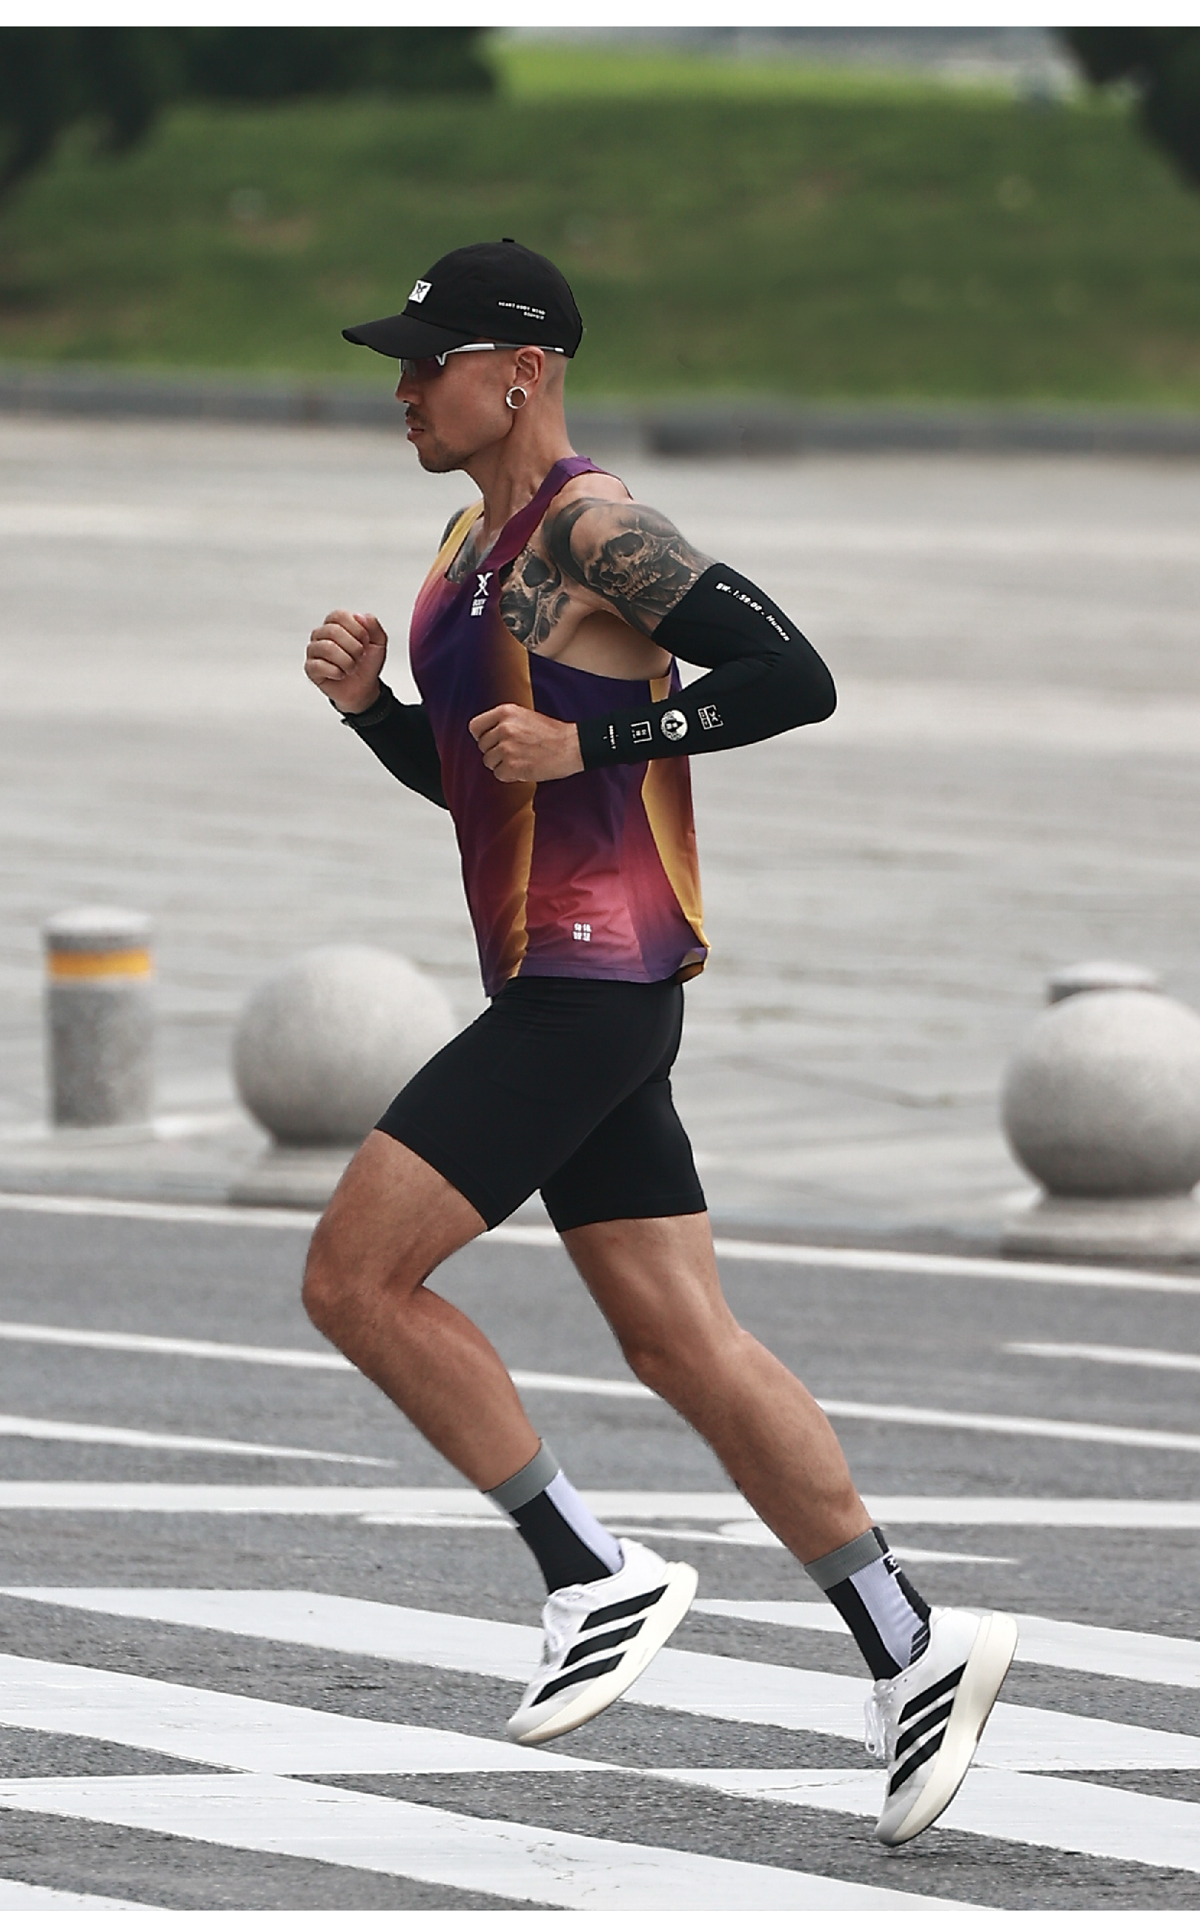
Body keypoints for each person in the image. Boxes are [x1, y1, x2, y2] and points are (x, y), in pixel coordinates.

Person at [302, 238, 1017, 1846]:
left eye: (428, 360)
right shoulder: (466, 545)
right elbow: (485, 777)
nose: (402, 388)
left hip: (592, 982)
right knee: (684, 1342)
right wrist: (375, 713)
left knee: (354, 1276)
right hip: (567, 983)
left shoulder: (595, 527)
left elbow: (792, 676)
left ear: (524, 372)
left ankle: (591, 1569)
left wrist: (601, 736)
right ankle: (913, 1642)